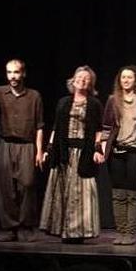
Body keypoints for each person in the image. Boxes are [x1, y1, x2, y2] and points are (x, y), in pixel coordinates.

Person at [0, 59, 44, 242]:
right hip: (4, 145)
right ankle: (11, 228)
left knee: (27, 185)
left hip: (26, 145)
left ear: (23, 74)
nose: (13, 76)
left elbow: (39, 126)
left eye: (16, 72)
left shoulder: (34, 96)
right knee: (5, 188)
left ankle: (26, 226)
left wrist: (39, 151)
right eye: (9, 72)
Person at [40, 65, 105, 243]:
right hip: (64, 152)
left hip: (83, 152)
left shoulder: (94, 104)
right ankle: (62, 230)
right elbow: (56, 127)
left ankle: (78, 232)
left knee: (80, 194)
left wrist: (98, 149)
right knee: (62, 192)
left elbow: (99, 129)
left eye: (86, 78)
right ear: (73, 80)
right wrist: (49, 149)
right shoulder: (63, 102)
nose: (82, 80)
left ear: (90, 83)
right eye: (79, 77)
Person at [101, 66, 136, 246]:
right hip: (117, 150)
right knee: (118, 193)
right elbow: (106, 127)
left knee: (132, 194)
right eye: (123, 77)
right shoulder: (112, 100)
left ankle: (130, 233)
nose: (126, 80)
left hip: (135, 151)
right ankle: (121, 231)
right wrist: (102, 149)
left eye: (129, 77)